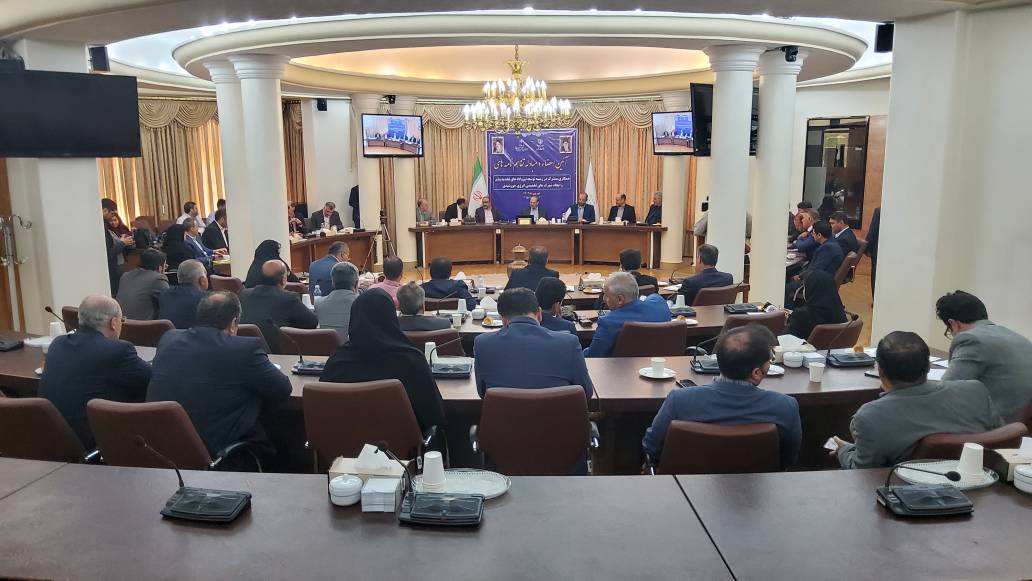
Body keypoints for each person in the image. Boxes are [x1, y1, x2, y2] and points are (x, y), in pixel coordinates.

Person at [147, 292, 291, 466]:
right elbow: (283, 389)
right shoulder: (244, 349)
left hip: (163, 453)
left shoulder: (168, 339)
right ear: (233, 323)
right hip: (219, 456)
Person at [831, 331, 1003, 469]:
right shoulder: (975, 391)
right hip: (982, 487)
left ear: (880, 370)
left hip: (909, 494)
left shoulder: (870, 417)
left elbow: (862, 472)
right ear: (928, 367)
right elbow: (998, 437)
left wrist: (844, 450)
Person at [642, 325, 801, 468]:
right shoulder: (785, 406)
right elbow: (788, 459)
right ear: (756, 373)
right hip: (758, 488)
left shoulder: (679, 400)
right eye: (770, 360)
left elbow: (651, 447)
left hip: (684, 487)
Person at [320, 290, 446, 432]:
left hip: (343, 443)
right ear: (391, 317)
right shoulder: (412, 361)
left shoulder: (337, 362)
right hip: (401, 444)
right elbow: (435, 416)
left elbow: (322, 410)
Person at [39, 296, 152, 448]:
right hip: (93, 444)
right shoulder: (118, 350)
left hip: (52, 440)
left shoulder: (57, 344)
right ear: (113, 323)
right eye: (122, 320)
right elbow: (152, 379)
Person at [474, 287, 593, 398]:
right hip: (557, 414)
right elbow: (586, 393)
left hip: (504, 414)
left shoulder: (482, 344)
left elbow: (483, 393)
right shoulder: (569, 343)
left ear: (502, 319)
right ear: (539, 314)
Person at [936, 291, 1032, 420]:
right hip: (1024, 422)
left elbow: (946, 391)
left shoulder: (971, 339)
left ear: (954, 324)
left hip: (998, 423)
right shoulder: (1018, 338)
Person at [583, 272, 671, 357]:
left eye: (606, 295)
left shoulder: (608, 322)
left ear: (620, 299)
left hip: (618, 367)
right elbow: (653, 297)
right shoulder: (660, 304)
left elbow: (592, 356)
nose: (604, 299)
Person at [240, 260, 318, 353]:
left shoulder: (244, 294)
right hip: (278, 354)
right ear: (283, 279)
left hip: (245, 351)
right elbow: (312, 322)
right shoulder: (289, 297)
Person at [786, 221, 843, 306]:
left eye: (813, 233)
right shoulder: (833, 243)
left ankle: (790, 311)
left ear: (819, 235)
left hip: (817, 284)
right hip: (825, 279)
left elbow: (815, 270)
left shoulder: (827, 249)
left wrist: (800, 276)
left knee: (784, 288)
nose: (812, 235)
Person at [785, 271, 847, 339]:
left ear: (810, 289)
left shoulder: (801, 316)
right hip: (837, 345)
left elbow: (785, 338)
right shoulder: (841, 313)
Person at [115, 248, 169, 320]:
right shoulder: (158, 279)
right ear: (160, 268)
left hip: (122, 323)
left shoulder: (125, 276)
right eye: (165, 266)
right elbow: (169, 302)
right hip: (144, 325)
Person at [158, 259, 208, 329]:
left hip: (166, 335)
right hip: (191, 335)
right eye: (206, 275)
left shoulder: (164, 294)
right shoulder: (205, 300)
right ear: (202, 280)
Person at [316, 261, 360, 341]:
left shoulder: (318, 303)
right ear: (356, 283)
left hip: (326, 347)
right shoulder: (362, 304)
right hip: (353, 347)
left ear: (333, 282)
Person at [102, 199, 134, 294]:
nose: (112, 216)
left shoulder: (104, 225)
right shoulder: (101, 228)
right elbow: (107, 252)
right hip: (110, 270)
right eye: (112, 213)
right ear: (105, 210)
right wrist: (122, 243)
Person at [866, 207, 880, 293]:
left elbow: (872, 231)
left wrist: (866, 248)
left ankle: (875, 298)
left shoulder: (879, 210)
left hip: (878, 250)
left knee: (875, 275)